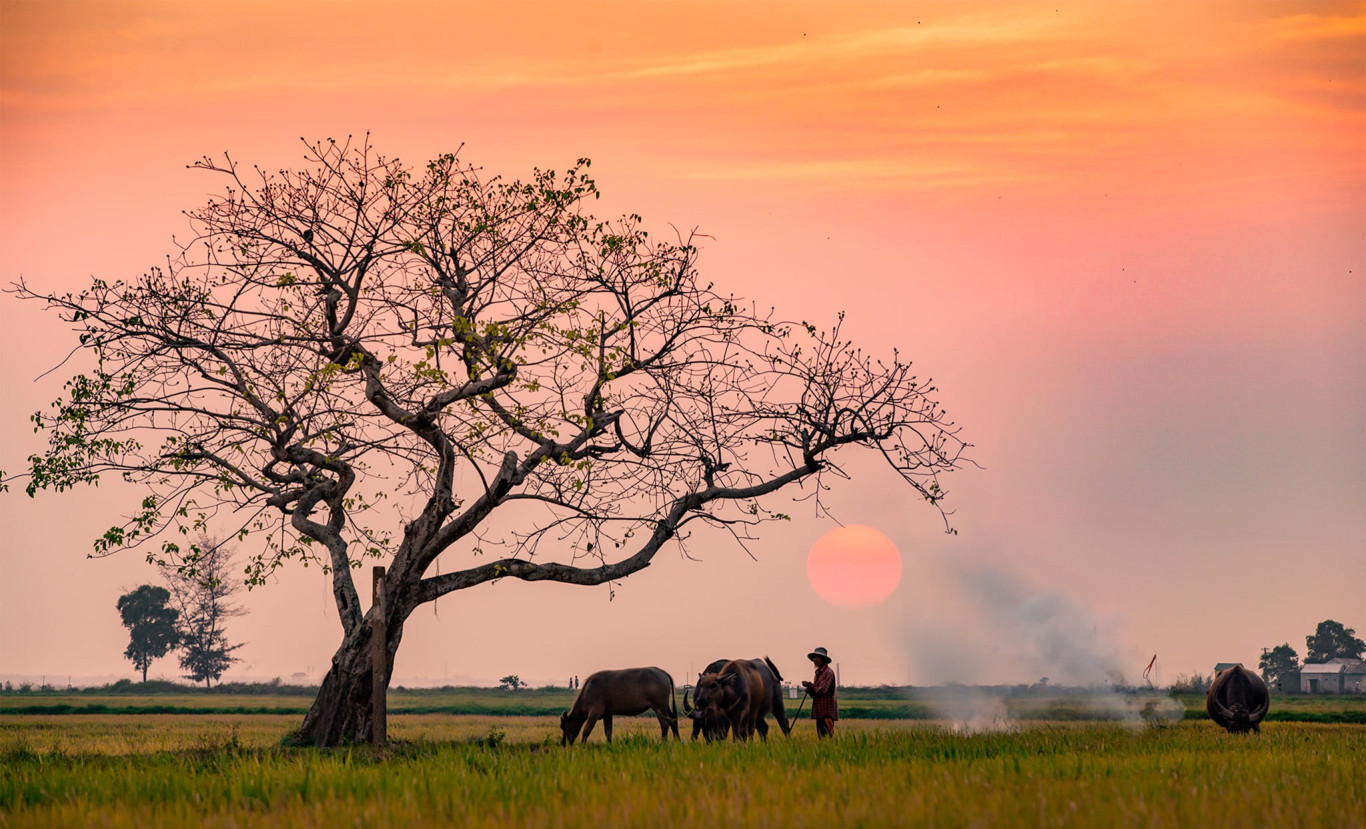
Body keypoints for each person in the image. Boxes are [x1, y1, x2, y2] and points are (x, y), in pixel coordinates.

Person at [802, 646, 838, 738]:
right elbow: (816, 693)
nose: (815, 660)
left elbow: (822, 690)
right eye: (814, 658)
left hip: (827, 712)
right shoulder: (818, 673)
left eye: (817, 657)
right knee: (821, 738)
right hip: (820, 712)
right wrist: (810, 690)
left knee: (827, 738)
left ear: (823, 659)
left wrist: (809, 685)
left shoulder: (828, 673)